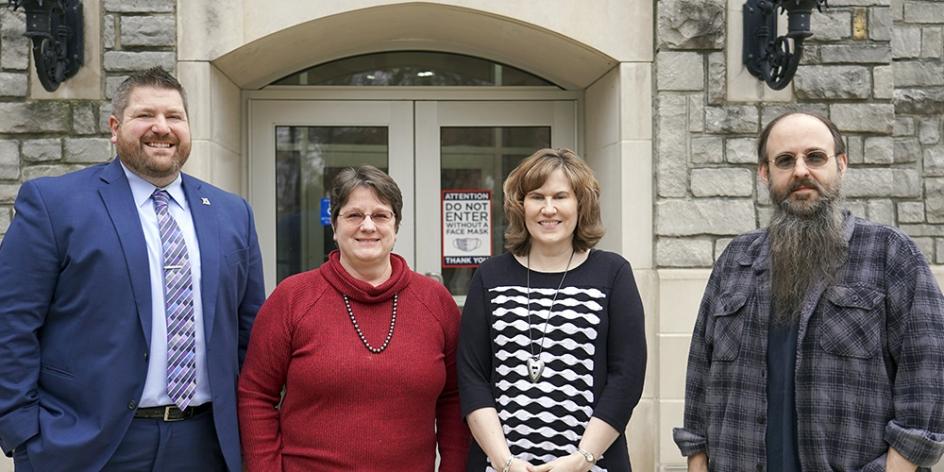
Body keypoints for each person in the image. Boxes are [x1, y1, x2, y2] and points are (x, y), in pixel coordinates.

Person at [0, 67, 265, 471]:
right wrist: (23, 432)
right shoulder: (55, 204)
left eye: (174, 117)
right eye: (145, 115)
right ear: (114, 126)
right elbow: (11, 324)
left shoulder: (232, 213)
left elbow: (251, 332)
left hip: (205, 445)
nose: (162, 128)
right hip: (87, 445)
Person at [673, 111, 944, 471]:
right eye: (785, 160)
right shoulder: (736, 259)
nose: (801, 170)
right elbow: (699, 375)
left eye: (815, 157)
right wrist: (696, 460)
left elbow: (928, 377)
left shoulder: (890, 254)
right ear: (765, 174)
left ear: (841, 165)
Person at [238, 165, 468, 471]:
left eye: (381, 215)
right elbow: (256, 395)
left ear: (396, 227)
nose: (368, 226)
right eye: (354, 215)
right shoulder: (292, 298)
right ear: (334, 226)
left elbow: (454, 399)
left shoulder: (435, 302)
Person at [458, 148, 647, 472]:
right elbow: (472, 377)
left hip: (594, 466)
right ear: (521, 205)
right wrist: (505, 463)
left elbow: (626, 377)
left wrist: (582, 460)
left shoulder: (613, 273)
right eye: (536, 196)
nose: (548, 209)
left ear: (580, 204)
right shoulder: (490, 276)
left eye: (561, 196)